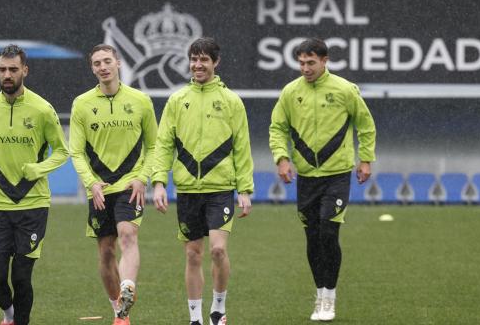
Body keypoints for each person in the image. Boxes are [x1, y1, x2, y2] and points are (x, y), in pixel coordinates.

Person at [269, 38, 376, 321]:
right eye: (301, 63)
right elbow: (277, 128)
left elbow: (365, 125)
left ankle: (330, 296)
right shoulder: (290, 92)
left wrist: (365, 159)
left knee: (329, 232)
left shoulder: (344, 89)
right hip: (306, 177)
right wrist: (281, 158)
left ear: (325, 61)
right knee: (313, 237)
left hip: (337, 175)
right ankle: (319, 293)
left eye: (311, 63)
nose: (305, 68)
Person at [152, 37, 254, 325]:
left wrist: (244, 189)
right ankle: (195, 317)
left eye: (204, 60)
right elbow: (163, 144)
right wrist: (159, 182)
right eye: (194, 59)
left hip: (220, 188)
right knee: (193, 255)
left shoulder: (231, 101)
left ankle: (218, 309)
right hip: (186, 190)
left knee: (218, 250)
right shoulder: (177, 99)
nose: (198, 65)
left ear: (215, 62)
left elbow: (241, 147)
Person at [0, 44, 69, 325]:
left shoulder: (42, 110)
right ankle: (9, 315)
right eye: (2, 69)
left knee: (21, 277)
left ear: (24, 70)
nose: (7, 74)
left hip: (33, 206)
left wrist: (38, 168)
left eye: (13, 69)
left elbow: (62, 152)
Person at [69, 44, 158, 325]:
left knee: (128, 235)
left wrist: (142, 178)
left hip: (130, 185)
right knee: (106, 251)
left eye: (108, 61)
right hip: (99, 188)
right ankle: (119, 312)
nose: (103, 67)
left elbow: (154, 146)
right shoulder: (81, 104)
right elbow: (76, 151)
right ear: (92, 68)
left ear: (118, 63)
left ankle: (128, 285)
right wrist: (91, 183)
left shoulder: (141, 100)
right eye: (97, 63)